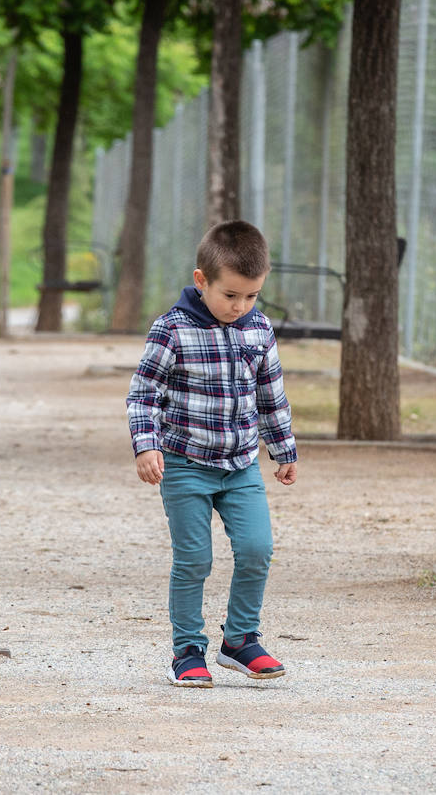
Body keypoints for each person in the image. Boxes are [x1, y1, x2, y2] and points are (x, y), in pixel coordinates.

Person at [126, 220, 297, 688]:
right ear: (201, 281)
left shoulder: (258, 330)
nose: (240, 307)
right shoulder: (171, 331)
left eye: (251, 296)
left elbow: (271, 396)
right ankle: (187, 648)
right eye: (231, 295)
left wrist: (283, 450)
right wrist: (147, 446)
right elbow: (143, 395)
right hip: (185, 467)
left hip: (241, 466)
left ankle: (240, 640)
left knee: (258, 549)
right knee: (195, 559)